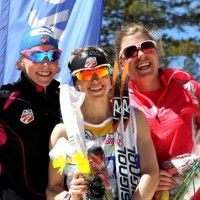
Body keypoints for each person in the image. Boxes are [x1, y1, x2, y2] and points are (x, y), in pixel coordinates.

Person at [46, 46, 159, 200]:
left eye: (101, 71)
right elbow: (53, 190)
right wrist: (71, 196)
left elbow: (151, 172)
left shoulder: (134, 118)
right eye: (85, 74)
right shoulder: (63, 132)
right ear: (76, 83)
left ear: (110, 77)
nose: (95, 80)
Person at [115, 21, 200, 199]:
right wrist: (148, 176)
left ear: (157, 51)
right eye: (130, 51)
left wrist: (188, 165)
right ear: (121, 62)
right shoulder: (117, 104)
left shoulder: (189, 89)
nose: (140, 54)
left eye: (146, 46)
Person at [0, 26, 62, 200]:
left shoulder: (66, 98)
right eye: (37, 56)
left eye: (53, 56)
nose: (45, 63)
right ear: (22, 60)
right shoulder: (6, 99)